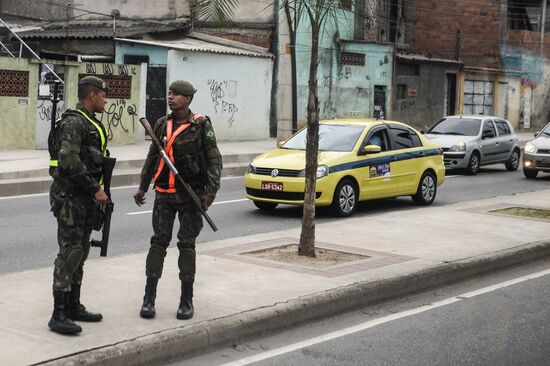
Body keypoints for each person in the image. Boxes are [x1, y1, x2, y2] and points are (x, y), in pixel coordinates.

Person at [134, 80, 222, 320]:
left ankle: (186, 300)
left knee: (186, 245)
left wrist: (211, 192)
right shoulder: (162, 124)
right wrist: (143, 186)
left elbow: (214, 159)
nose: (171, 97)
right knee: (158, 242)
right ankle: (149, 299)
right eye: (170, 93)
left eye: (176, 95)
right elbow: (153, 156)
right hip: (164, 193)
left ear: (188, 99)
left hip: (190, 194)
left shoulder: (201, 125)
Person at [47, 76, 109, 334]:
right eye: (103, 95)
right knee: (70, 253)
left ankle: (73, 305)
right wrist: (95, 189)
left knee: (81, 252)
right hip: (71, 198)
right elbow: (69, 162)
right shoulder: (74, 122)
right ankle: (58, 313)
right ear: (92, 95)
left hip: (83, 199)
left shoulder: (88, 121)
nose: (106, 100)